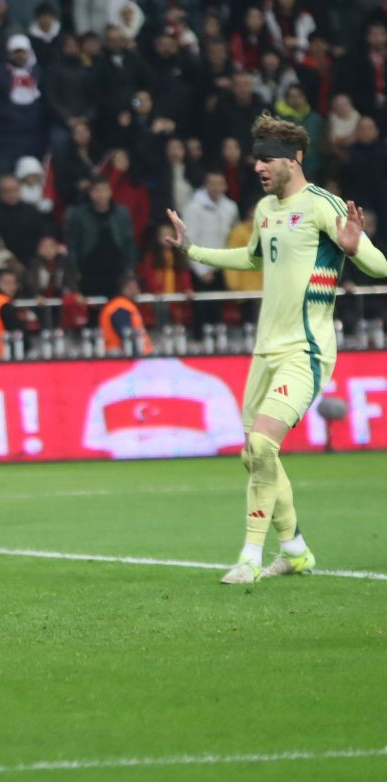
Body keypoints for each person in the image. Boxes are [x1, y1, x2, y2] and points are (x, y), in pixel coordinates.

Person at [164, 114, 387, 584]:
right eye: (256, 160)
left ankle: (249, 556)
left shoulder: (323, 205)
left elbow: (380, 266)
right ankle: (295, 548)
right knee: (255, 454)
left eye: (267, 159)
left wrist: (354, 248)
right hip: (265, 350)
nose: (259, 167)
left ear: (295, 159)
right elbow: (250, 258)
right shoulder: (265, 210)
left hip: (306, 350)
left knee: (264, 444)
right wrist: (193, 251)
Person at [99, 273, 152, 355]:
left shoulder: (123, 306)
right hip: (120, 356)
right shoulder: (120, 308)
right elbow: (126, 335)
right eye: (135, 288)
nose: (138, 291)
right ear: (126, 288)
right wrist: (136, 355)